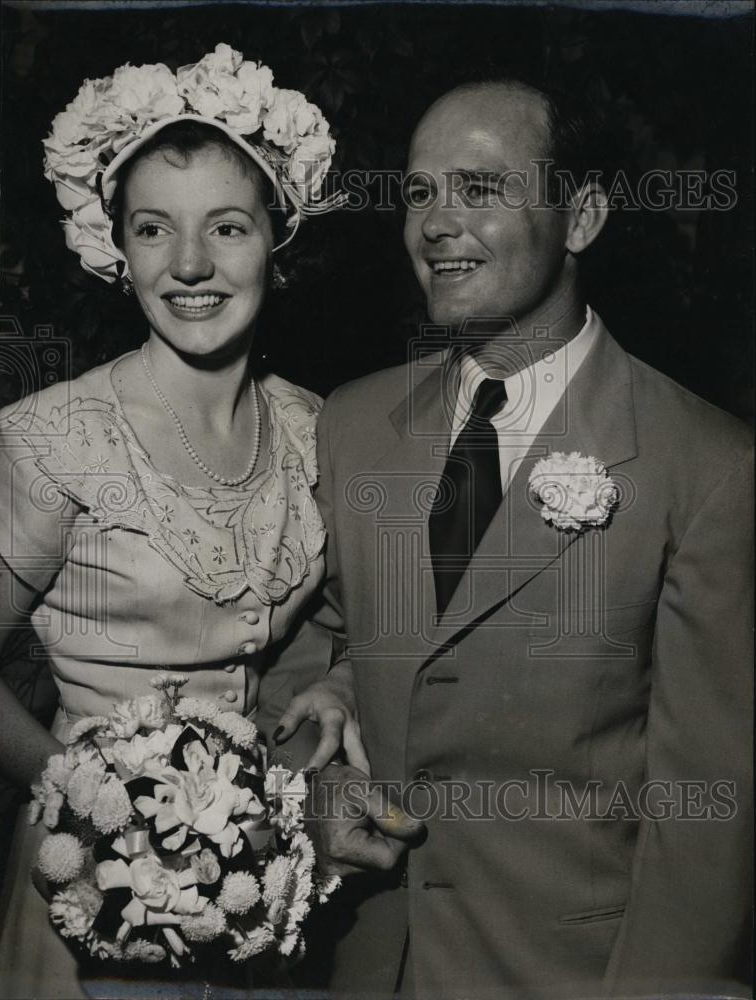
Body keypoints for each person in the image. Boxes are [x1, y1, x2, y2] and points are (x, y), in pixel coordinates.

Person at [259, 77, 753, 998]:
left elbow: (709, 825)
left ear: (584, 218)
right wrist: (309, 790)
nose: (435, 225)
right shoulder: (354, 425)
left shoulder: (709, 468)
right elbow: (307, 647)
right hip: (365, 962)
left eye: (480, 190)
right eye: (418, 193)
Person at [0, 44, 368, 1000]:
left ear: (277, 242)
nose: (190, 265)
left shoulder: (314, 428)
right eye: (154, 229)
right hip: (90, 890)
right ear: (116, 247)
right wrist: (101, 809)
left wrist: (338, 691)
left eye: (227, 228)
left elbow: (349, 628)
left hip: (259, 882)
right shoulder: (56, 435)